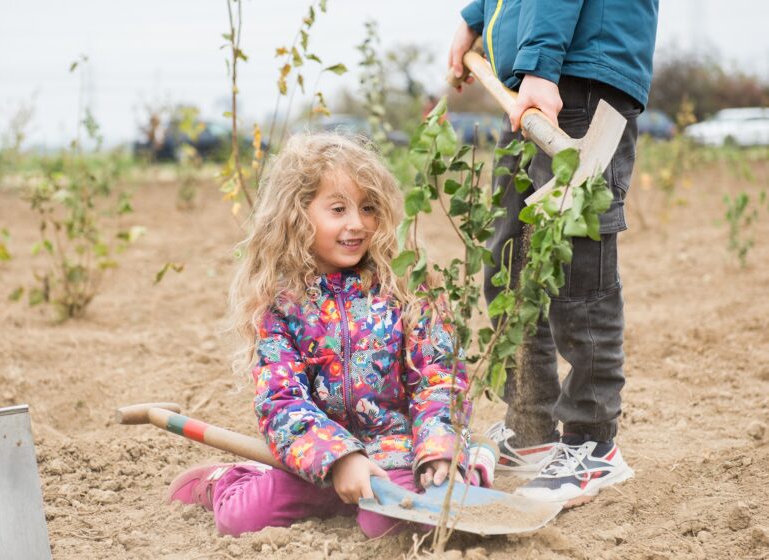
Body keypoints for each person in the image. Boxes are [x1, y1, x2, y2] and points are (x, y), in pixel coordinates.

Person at [167, 133, 496, 537]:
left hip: (399, 454)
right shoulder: (279, 306)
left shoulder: (407, 285)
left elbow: (438, 378)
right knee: (240, 519)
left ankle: (471, 463)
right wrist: (340, 458)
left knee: (390, 522)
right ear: (297, 214)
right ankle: (226, 480)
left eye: (369, 208)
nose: (356, 224)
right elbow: (281, 399)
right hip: (319, 460)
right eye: (338, 209)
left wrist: (439, 451)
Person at [447, 0, 659, 506]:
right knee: (510, 261)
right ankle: (531, 426)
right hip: (532, 76)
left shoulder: (553, 67)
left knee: (578, 268)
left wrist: (541, 65)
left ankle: (592, 442)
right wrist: (476, 17)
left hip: (577, 72)